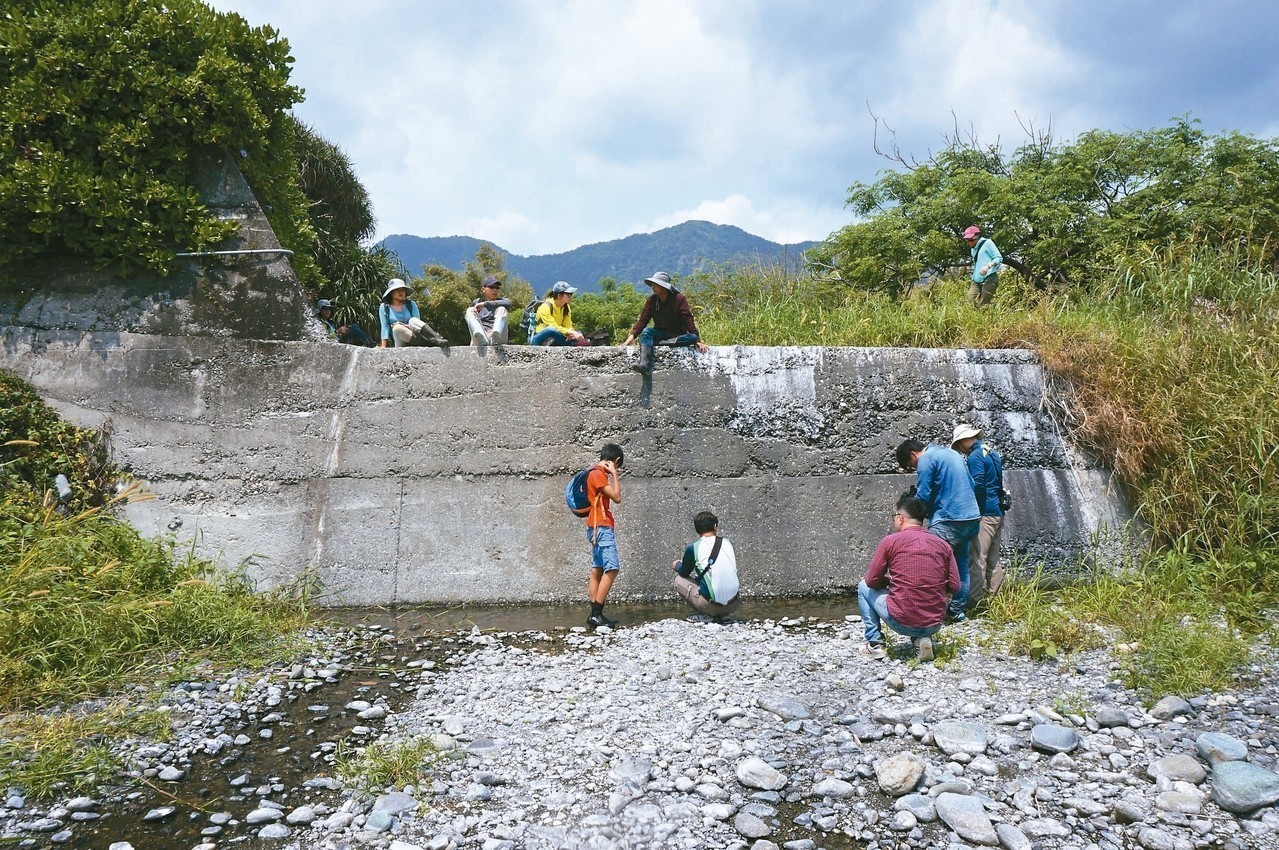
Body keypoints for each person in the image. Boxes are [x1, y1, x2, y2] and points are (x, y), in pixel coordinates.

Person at [857, 494, 960, 661]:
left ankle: (875, 644)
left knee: (863, 586)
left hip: (902, 622)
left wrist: (891, 581)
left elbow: (871, 581)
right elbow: (955, 586)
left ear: (900, 518)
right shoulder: (942, 544)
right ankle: (921, 639)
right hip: (934, 624)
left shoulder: (890, 541)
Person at [895, 437, 981, 622]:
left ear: (913, 454)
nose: (914, 469)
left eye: (911, 466)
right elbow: (970, 484)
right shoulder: (951, 453)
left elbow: (923, 495)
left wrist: (909, 504)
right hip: (971, 517)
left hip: (949, 519)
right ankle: (956, 611)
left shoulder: (926, 459)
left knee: (931, 564)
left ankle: (928, 613)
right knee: (961, 566)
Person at [951, 423, 1007, 604]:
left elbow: (978, 485)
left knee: (977, 558)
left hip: (985, 513)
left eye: (959, 445)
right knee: (993, 559)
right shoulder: (991, 452)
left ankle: (973, 601)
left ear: (964, 441)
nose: (960, 450)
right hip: (998, 511)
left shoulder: (975, 456)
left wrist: (971, 509)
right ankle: (996, 599)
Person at [621, 271, 709, 374]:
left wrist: (697, 340)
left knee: (692, 337)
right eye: (652, 285)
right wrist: (632, 335)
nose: (653, 287)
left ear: (664, 286)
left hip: (677, 336)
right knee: (646, 332)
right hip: (660, 333)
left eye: (656, 285)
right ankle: (644, 363)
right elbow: (643, 320)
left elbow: (687, 318)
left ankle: (661, 344)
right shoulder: (652, 300)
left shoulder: (679, 299)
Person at [584, 443, 625, 628]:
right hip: (601, 526)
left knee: (598, 568)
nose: (614, 470)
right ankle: (596, 614)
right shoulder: (597, 474)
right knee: (612, 568)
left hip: (594, 527)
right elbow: (617, 497)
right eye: (617, 466)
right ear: (615, 461)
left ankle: (594, 614)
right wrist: (615, 475)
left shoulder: (592, 473)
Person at [673, 510, 741, 621]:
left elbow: (685, 572)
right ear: (715, 526)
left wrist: (677, 565)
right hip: (734, 604)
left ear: (697, 529)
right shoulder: (728, 543)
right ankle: (724, 615)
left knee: (679, 580)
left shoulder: (694, 548)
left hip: (710, 606)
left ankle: (706, 614)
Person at [378, 279, 448, 348]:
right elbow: (384, 327)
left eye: (403, 290)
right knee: (397, 328)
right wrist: (383, 347)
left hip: (415, 336)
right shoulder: (384, 307)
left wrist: (405, 325)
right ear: (391, 293)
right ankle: (427, 344)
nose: (401, 292)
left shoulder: (411, 304)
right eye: (397, 290)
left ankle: (436, 339)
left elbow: (417, 325)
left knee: (413, 320)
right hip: (400, 339)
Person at [530, 281, 588, 346]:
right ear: (559, 295)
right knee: (551, 330)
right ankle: (573, 344)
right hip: (539, 337)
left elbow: (568, 325)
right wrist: (570, 332)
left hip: (556, 334)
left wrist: (571, 333)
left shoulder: (566, 307)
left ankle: (573, 343)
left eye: (571, 294)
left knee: (577, 334)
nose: (571, 297)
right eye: (568, 295)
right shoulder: (545, 307)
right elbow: (553, 326)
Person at [464, 274, 513, 346]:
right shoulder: (476, 302)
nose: (495, 290)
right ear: (483, 289)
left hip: (498, 336)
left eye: (497, 288)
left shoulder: (503, 302)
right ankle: (480, 336)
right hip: (482, 334)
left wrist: (484, 304)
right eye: (491, 287)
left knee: (502, 309)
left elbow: (508, 303)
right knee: (470, 310)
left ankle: (495, 335)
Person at [963, 225, 1003, 307]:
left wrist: (988, 266)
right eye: (967, 240)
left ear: (977, 237)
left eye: (971, 240)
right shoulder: (973, 249)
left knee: (984, 304)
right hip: (976, 280)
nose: (969, 243)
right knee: (969, 301)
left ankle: (987, 319)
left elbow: (998, 258)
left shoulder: (988, 243)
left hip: (989, 278)